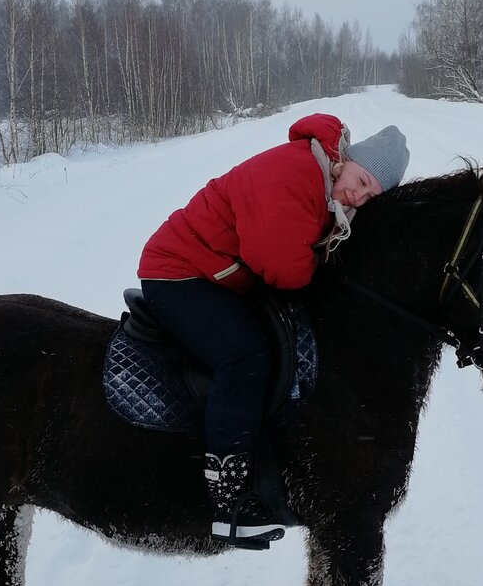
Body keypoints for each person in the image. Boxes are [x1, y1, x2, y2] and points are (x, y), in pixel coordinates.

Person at [137, 113, 410, 549]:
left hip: (218, 272)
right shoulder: (297, 173)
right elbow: (281, 265)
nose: (357, 195)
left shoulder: (324, 183)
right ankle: (228, 493)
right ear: (346, 162)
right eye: (360, 180)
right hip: (179, 272)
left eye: (369, 195)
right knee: (244, 354)